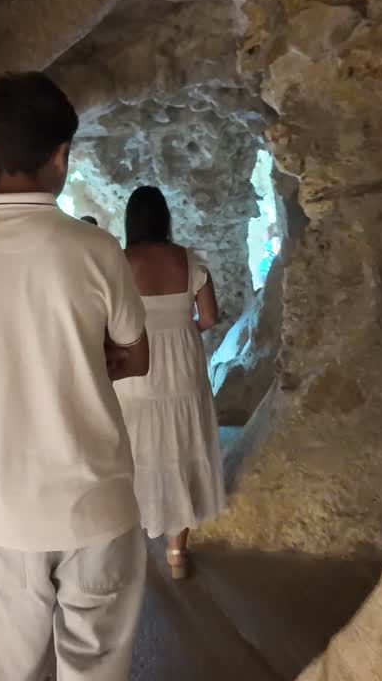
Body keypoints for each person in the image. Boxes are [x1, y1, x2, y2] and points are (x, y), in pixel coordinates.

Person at [0, 72, 150, 681]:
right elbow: (138, 353)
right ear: (62, 155)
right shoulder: (95, 249)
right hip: (97, 499)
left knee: (12, 670)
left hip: (2, 503)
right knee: (96, 667)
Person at [114, 186, 226, 579]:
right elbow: (210, 318)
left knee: (135, 450)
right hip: (183, 363)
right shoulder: (190, 260)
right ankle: (177, 554)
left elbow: (105, 319)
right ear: (165, 218)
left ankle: (133, 542)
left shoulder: (118, 262)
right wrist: (182, 327)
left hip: (135, 362)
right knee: (182, 447)